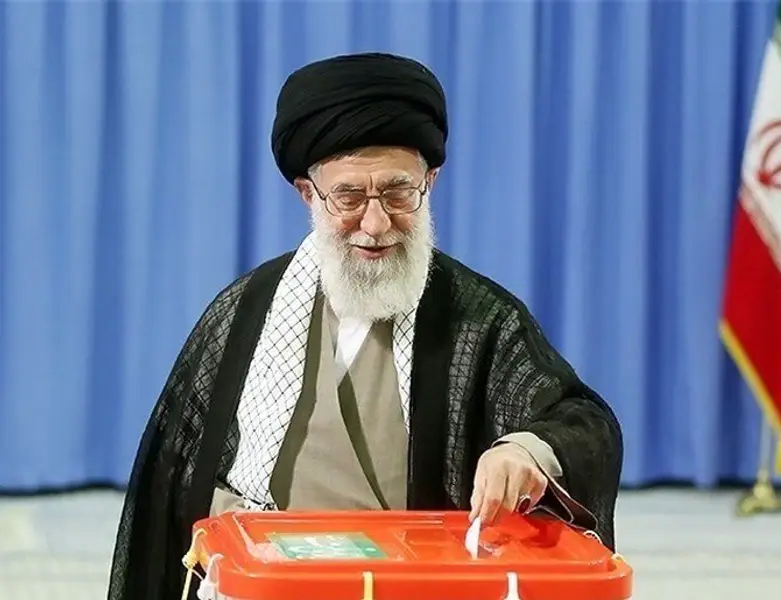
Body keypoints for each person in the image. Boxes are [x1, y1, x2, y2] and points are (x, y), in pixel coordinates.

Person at [107, 52, 623, 600]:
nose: (375, 224)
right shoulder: (246, 311)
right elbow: (174, 471)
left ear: (430, 181)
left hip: (414, 588)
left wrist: (525, 450)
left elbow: (582, 420)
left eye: (398, 193)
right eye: (349, 197)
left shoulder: (478, 317)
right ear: (308, 193)